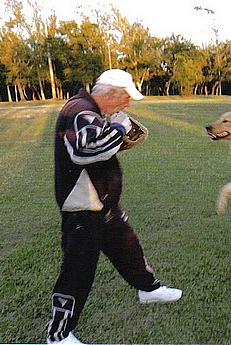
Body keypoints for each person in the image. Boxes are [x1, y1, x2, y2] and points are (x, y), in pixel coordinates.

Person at [47, 69, 182, 344]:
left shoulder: (94, 111)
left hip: (104, 203)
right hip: (82, 208)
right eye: (124, 98)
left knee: (128, 248)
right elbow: (84, 151)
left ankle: (148, 290)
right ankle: (58, 335)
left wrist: (116, 134)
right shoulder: (80, 111)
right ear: (108, 93)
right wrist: (119, 130)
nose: (127, 105)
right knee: (77, 270)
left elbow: (100, 147)